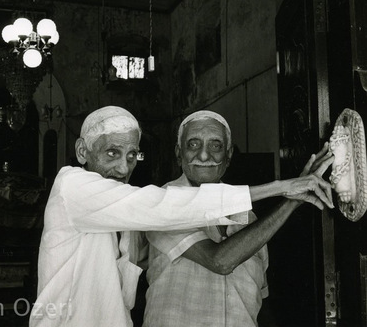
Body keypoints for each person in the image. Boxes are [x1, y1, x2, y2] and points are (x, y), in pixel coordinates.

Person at [29, 106, 333, 327]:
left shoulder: (123, 216)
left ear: (229, 157)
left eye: (132, 155)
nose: (124, 169)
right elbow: (212, 252)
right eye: (112, 153)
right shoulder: (73, 186)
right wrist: (286, 190)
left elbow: (258, 298)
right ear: (82, 151)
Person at [143, 110, 334, 327]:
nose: (204, 156)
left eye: (215, 146)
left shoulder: (248, 217)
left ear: (229, 155)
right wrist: (291, 201)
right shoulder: (161, 204)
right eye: (193, 144)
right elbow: (220, 261)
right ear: (179, 154)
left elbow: (260, 300)